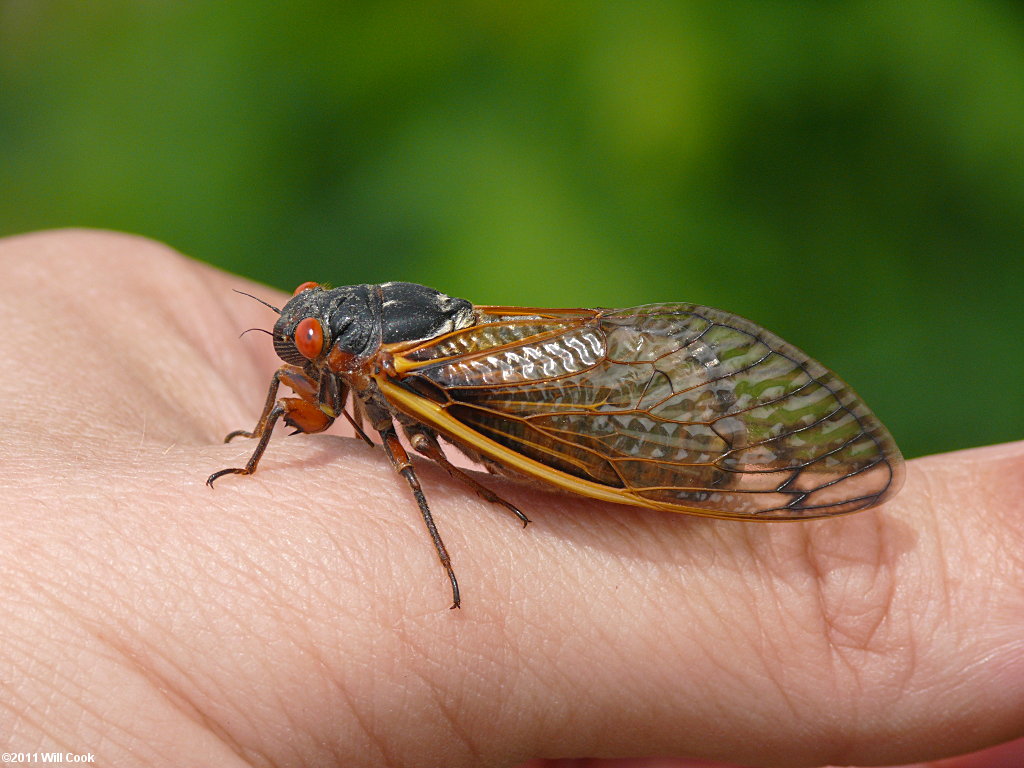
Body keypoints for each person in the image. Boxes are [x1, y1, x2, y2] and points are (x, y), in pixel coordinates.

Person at [1, 229, 1021, 768]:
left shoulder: (389, 372)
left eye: (311, 339)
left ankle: (692, 437)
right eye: (303, 330)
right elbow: (302, 398)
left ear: (345, 343)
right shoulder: (338, 374)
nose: (297, 349)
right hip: (514, 359)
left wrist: (447, 547)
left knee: (466, 446)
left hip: (531, 397)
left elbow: (414, 458)